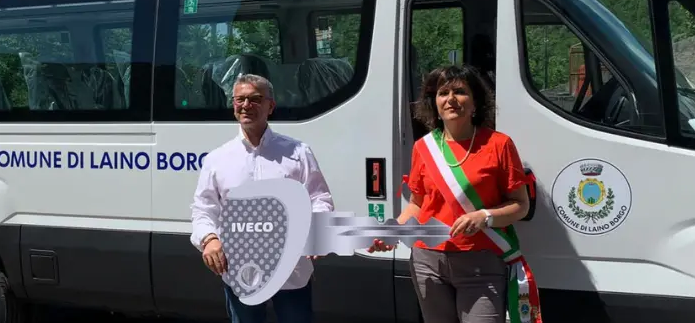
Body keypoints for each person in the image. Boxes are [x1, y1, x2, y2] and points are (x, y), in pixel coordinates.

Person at [369, 65, 541, 323]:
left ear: (475, 102)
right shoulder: (423, 148)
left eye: (460, 92)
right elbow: (417, 204)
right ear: (434, 104)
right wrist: (394, 231)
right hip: (427, 262)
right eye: (443, 93)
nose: (450, 99)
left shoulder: (499, 145)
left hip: (481, 263)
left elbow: (520, 205)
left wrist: (485, 216)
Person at [189, 73, 335, 323]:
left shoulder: (297, 152)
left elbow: (319, 198)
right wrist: (209, 239)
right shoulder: (218, 159)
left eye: (255, 99)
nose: (246, 106)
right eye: (240, 99)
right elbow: (204, 208)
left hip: (292, 270)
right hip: (240, 270)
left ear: (270, 106)